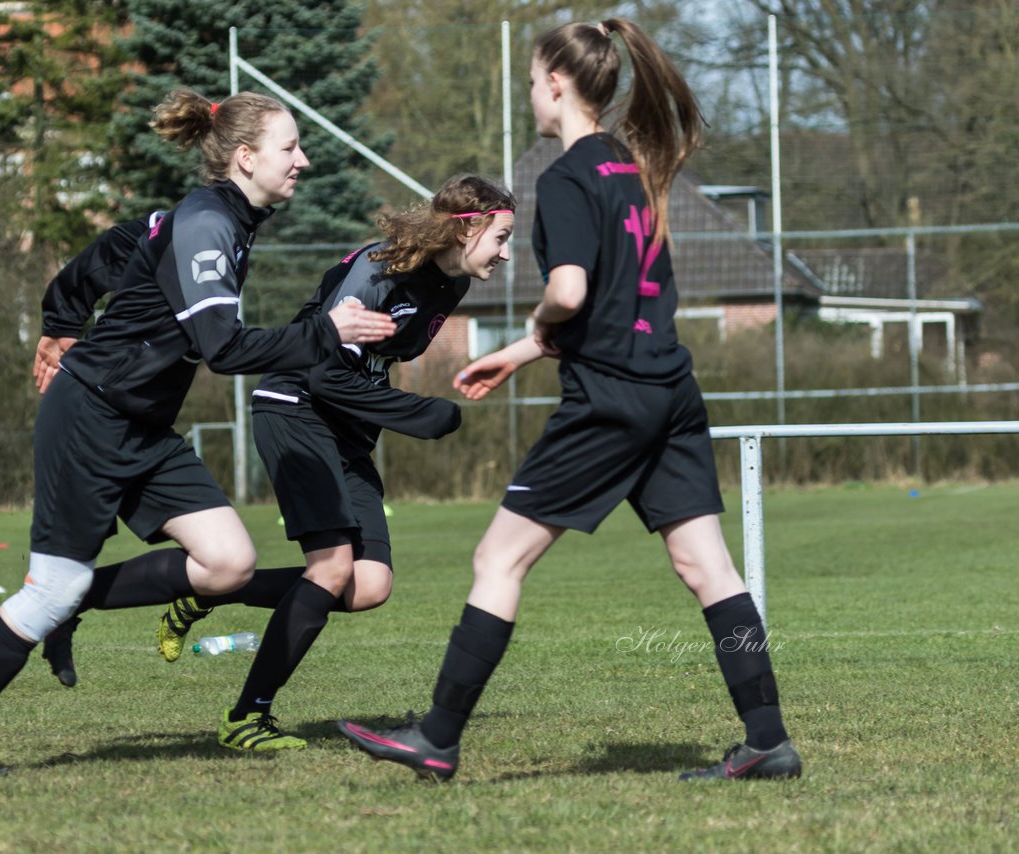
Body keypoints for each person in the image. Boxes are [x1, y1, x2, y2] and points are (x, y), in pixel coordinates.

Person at [338, 19, 802, 782]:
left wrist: (537, 321)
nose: (530, 93)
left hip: (611, 400)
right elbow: (623, 296)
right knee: (709, 568)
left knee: (497, 558)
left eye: (530, 80)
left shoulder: (564, 178)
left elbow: (574, 291)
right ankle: (767, 739)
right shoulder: (637, 167)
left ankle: (439, 736)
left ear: (557, 82)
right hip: (670, 389)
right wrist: (525, 354)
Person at [0, 89, 397, 777]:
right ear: (247, 157)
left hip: (142, 429)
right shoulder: (206, 225)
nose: (303, 161)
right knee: (50, 589)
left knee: (228, 562)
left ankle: (74, 605)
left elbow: (107, 254)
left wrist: (59, 323)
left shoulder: (214, 220)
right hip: (90, 420)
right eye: (291, 148)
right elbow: (222, 348)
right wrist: (325, 332)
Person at [42, 175, 517, 751]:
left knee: (368, 585)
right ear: (466, 229)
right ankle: (245, 716)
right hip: (295, 407)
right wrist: (414, 413)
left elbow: (369, 367)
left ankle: (204, 593)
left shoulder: (452, 283)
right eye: (501, 236)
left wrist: (398, 411)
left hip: (347, 430)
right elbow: (321, 370)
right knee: (332, 568)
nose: (507, 252)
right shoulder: (380, 268)